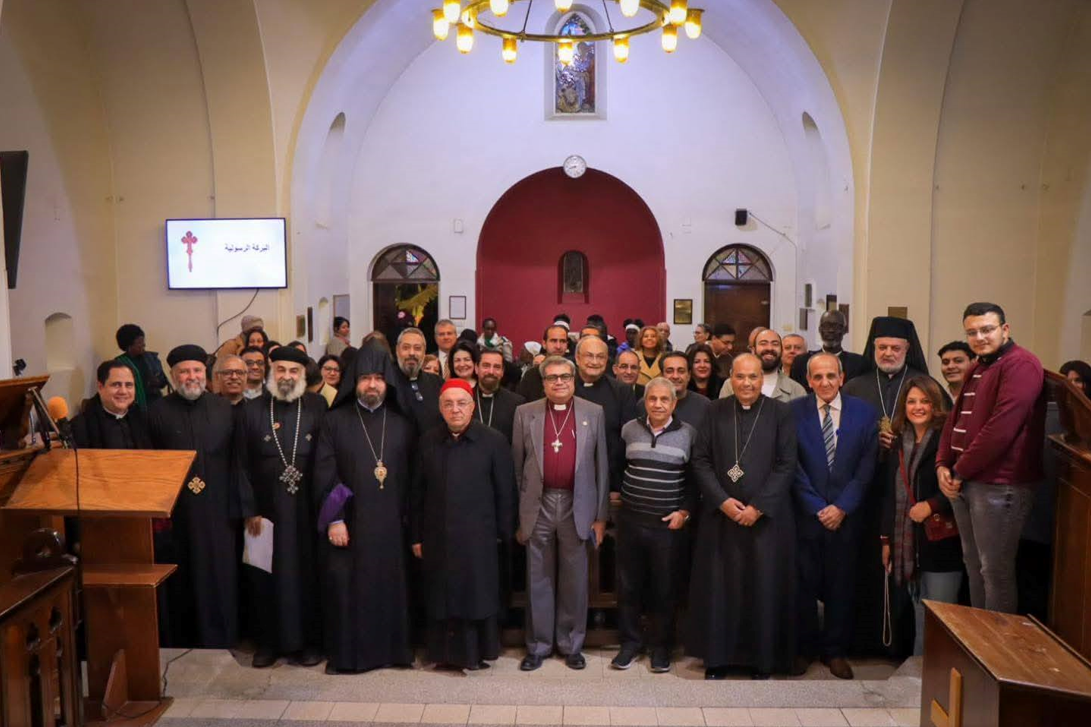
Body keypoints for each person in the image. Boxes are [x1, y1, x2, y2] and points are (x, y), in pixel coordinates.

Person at [686, 354, 797, 679]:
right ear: (730, 379)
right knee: (721, 589)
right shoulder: (713, 410)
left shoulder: (780, 412)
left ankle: (762, 661)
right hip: (722, 519)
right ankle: (717, 659)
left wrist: (758, 506)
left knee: (763, 587)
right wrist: (722, 501)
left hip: (767, 520)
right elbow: (700, 460)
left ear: (762, 380)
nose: (747, 383)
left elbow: (787, 463)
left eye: (753, 377)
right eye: (740, 377)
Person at [937, 302, 1045, 614]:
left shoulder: (1022, 364)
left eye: (987, 329)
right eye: (972, 332)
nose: (980, 337)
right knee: (973, 565)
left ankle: (997, 653)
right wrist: (942, 464)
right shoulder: (979, 366)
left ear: (1005, 329)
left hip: (1000, 484)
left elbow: (1002, 427)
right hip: (964, 479)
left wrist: (959, 470)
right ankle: (979, 643)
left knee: (994, 571)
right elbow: (954, 419)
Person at [313, 342, 415, 673]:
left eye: (378, 378)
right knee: (350, 590)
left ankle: (393, 652)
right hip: (352, 525)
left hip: (391, 526)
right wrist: (335, 519)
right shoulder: (335, 421)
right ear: (354, 381)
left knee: (391, 589)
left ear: (388, 382)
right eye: (365, 378)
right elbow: (327, 473)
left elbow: (413, 478)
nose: (372, 385)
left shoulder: (402, 422)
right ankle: (352, 657)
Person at [410, 379, 516, 670]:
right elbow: (416, 493)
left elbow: (505, 493)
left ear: (472, 407)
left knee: (475, 596)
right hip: (437, 537)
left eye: (462, 403)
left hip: (479, 539)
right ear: (440, 408)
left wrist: (502, 536)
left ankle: (475, 653)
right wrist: (416, 536)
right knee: (441, 595)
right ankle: (442, 654)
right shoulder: (428, 440)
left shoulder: (493, 440)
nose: (455, 410)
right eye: (448, 404)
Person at [842, 315, 932, 654]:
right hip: (863, 492)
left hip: (910, 493)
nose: (889, 353)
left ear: (907, 349)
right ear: (873, 348)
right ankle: (861, 640)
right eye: (882, 347)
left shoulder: (924, 385)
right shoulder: (854, 386)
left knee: (904, 567)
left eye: (896, 347)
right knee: (861, 565)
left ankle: (904, 645)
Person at [513, 356, 609, 671]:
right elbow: (517, 466)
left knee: (575, 578)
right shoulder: (525, 413)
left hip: (576, 503)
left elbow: (601, 467)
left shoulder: (593, 413)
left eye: (564, 376)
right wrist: (520, 514)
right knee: (537, 577)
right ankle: (538, 646)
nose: (558, 382)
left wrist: (600, 516)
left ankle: (571, 645)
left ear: (574, 379)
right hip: (538, 503)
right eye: (552, 377)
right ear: (542, 382)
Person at [234, 346, 326, 668]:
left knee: (307, 575)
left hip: (306, 511)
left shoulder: (316, 406)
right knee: (264, 576)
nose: (287, 377)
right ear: (273, 372)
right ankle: (268, 643)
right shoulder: (252, 410)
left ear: (303, 375)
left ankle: (309, 642)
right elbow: (241, 464)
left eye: (294, 371)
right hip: (265, 511)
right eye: (282, 370)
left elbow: (326, 460)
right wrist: (249, 509)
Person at [791, 353, 879, 679]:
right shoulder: (793, 413)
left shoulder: (865, 413)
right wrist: (817, 507)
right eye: (817, 377)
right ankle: (804, 649)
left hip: (848, 516)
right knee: (803, 587)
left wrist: (842, 507)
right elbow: (792, 466)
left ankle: (835, 651)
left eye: (831, 376)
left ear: (841, 378)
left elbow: (866, 468)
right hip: (807, 516)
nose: (825, 383)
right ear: (808, 381)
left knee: (842, 586)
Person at [148, 344, 237, 648]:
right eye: (184, 371)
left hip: (219, 510)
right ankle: (185, 639)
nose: (191, 376)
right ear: (173, 376)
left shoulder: (223, 408)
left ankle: (224, 637)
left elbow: (236, 459)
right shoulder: (157, 412)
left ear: (206, 374)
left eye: (197, 370)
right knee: (183, 575)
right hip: (179, 513)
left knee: (220, 574)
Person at [612, 377, 696, 673]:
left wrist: (684, 511)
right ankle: (631, 644)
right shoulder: (629, 430)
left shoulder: (688, 434)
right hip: (631, 522)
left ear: (674, 403)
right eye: (652, 399)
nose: (658, 404)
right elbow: (618, 467)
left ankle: (661, 648)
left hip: (667, 527)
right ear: (645, 402)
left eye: (664, 399)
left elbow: (693, 481)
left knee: (665, 589)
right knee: (628, 587)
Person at [881, 376, 961, 656]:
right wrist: (886, 540)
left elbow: (964, 483)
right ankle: (919, 669)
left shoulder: (948, 439)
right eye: (912, 401)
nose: (918, 407)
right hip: (909, 543)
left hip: (942, 541)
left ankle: (936, 676)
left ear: (935, 404)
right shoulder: (897, 441)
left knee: (941, 614)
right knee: (918, 611)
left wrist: (932, 504)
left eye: (925, 401)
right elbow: (889, 495)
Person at [574, 335, 639, 498]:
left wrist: (616, 485)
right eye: (589, 355)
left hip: (607, 479)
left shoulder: (621, 391)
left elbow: (626, 441)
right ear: (577, 358)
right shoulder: (564, 387)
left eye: (600, 357)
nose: (594, 362)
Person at [72, 361, 151, 449]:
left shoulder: (144, 418)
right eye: (116, 385)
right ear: (100, 387)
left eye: (129, 385)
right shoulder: (81, 425)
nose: (123, 391)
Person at [719, 329, 806, 403]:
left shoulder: (796, 390)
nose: (769, 348)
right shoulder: (730, 385)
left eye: (775, 344)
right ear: (753, 350)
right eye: (763, 343)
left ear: (781, 351)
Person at [791, 311, 866, 389]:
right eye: (826, 326)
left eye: (836, 326)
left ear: (844, 330)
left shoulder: (858, 364)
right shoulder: (801, 362)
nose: (831, 330)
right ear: (820, 330)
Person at [392, 327, 444, 437]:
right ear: (397, 350)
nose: (412, 353)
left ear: (424, 352)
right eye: (406, 348)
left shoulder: (437, 382)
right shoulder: (386, 383)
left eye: (417, 348)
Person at [475, 349, 525, 444]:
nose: (491, 371)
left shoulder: (517, 403)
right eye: (486, 366)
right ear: (476, 368)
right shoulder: (464, 399)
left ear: (502, 372)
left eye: (497, 367)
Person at [114, 323, 167, 408]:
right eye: (139, 342)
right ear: (129, 346)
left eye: (143, 341)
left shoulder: (152, 358)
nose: (143, 345)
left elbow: (164, 381)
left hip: (155, 406)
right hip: (132, 409)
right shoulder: (119, 364)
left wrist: (157, 381)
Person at [516, 325, 571, 402]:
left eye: (562, 341)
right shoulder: (531, 375)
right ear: (544, 344)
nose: (558, 346)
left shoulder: (574, 374)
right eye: (553, 341)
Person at [658, 351, 711, 430]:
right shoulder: (647, 404)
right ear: (662, 375)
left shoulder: (705, 405)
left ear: (689, 375)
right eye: (669, 371)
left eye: (681, 371)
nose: (675, 376)